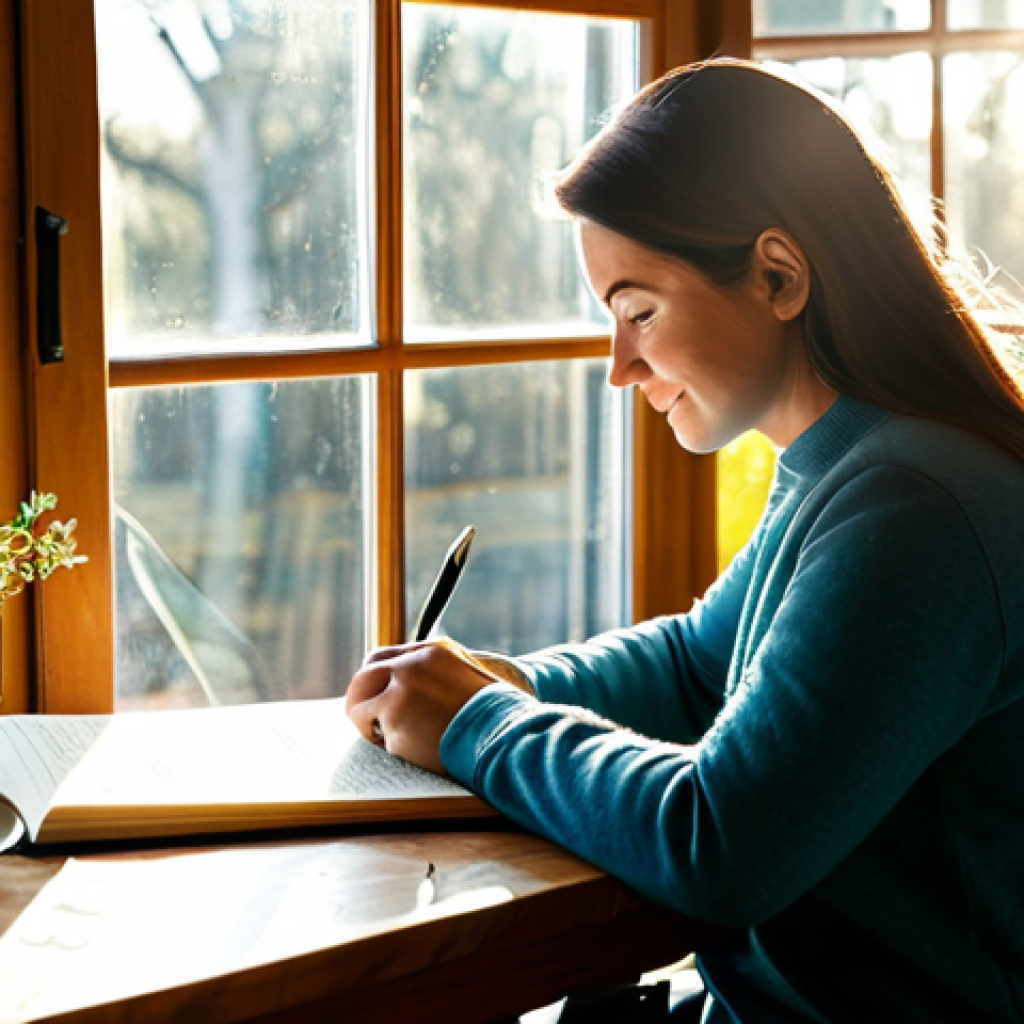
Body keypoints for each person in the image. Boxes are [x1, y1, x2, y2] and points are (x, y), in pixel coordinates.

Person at [345, 59, 1024, 1022]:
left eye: (639, 312)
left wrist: (477, 725)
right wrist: (510, 685)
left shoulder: (920, 504)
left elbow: (719, 843)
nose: (621, 367)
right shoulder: (848, 464)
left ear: (778, 275)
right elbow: (696, 663)